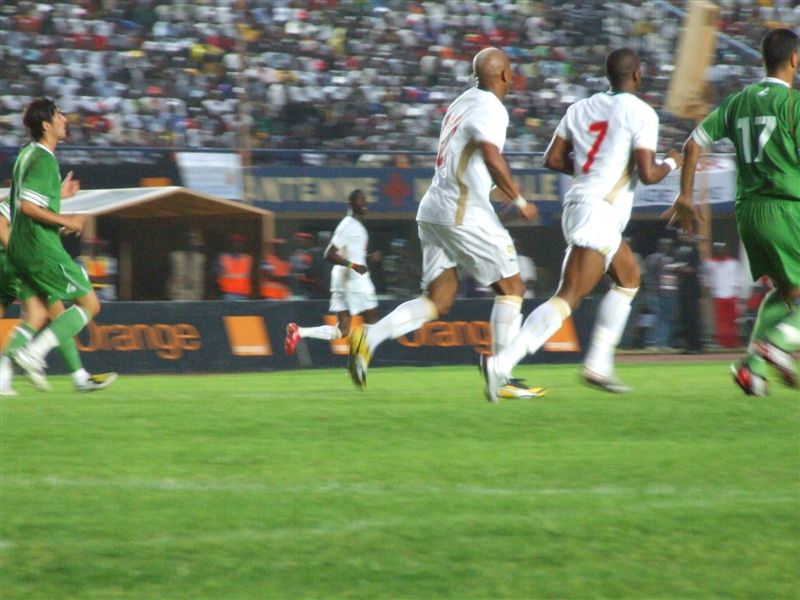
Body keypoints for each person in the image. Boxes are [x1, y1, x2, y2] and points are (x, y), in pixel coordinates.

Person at [482, 48, 683, 398]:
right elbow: (649, 174)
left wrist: (591, 169)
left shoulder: (580, 108)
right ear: (637, 75)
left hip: (579, 202)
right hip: (599, 210)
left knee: (629, 278)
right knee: (568, 297)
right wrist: (673, 162)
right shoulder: (641, 112)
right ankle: (501, 363)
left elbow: (552, 158)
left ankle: (599, 364)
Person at [348, 47, 543, 401]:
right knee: (512, 287)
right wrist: (519, 200)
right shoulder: (492, 108)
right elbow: (491, 155)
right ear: (504, 75)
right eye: (510, 71)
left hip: (434, 208)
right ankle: (501, 375)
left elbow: (467, 159)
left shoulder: (460, 102)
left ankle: (369, 337)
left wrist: (492, 193)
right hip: (461, 210)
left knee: (439, 300)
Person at [664, 28, 799, 396]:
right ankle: (779, 344)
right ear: (794, 59)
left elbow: (692, 145)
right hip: (785, 207)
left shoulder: (738, 102)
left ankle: (751, 370)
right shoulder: (793, 105)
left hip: (749, 213)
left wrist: (686, 196)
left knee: (786, 290)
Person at [5, 97, 118, 392]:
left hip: (21, 250)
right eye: (59, 115)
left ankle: (70, 377)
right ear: (46, 125)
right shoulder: (44, 159)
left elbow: (26, 202)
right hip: (40, 249)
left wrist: (58, 196)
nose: (65, 119)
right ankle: (32, 354)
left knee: (39, 314)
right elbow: (28, 207)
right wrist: (67, 220)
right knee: (90, 303)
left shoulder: (27, 155)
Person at [284, 189, 380, 355]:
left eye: (365, 200)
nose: (364, 203)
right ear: (350, 204)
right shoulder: (348, 225)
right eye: (360, 200)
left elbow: (350, 253)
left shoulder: (356, 226)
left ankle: (299, 332)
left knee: (342, 330)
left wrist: (366, 258)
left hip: (343, 280)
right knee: (371, 317)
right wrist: (353, 265)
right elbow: (329, 254)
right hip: (353, 280)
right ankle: (359, 358)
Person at [705, 241, 741, 348]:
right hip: (718, 296)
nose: (720, 252)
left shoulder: (733, 263)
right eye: (717, 250)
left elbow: (737, 279)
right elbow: (707, 280)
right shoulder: (710, 264)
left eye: (722, 249)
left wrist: (737, 293)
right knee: (721, 321)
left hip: (731, 295)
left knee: (732, 320)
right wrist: (708, 292)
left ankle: (732, 342)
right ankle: (722, 342)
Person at [672, 233, 703, 354]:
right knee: (684, 318)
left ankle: (696, 346)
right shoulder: (678, 251)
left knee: (692, 318)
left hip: (692, 290)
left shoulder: (694, 251)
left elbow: (692, 269)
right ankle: (688, 345)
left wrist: (679, 268)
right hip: (682, 289)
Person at [643, 237, 676, 349]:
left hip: (662, 292)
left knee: (661, 318)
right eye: (666, 245)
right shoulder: (658, 258)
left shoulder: (665, 259)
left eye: (669, 245)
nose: (668, 247)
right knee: (659, 317)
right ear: (660, 246)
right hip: (658, 293)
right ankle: (655, 342)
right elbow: (652, 275)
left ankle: (658, 342)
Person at [167, 229, 206, 301]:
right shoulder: (175, 256)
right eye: (188, 239)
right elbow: (169, 274)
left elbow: (202, 276)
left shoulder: (200, 258)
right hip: (178, 293)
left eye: (192, 240)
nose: (190, 242)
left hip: (195, 294)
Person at [216, 233, 253, 300]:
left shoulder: (247, 259)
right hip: (228, 294)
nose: (237, 245)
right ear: (230, 244)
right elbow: (216, 274)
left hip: (243, 294)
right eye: (235, 242)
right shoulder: (223, 258)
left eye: (240, 243)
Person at [79, 237, 117, 301]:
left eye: (96, 246)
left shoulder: (110, 261)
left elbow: (110, 279)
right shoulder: (80, 260)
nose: (94, 249)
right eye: (89, 246)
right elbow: (81, 279)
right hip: (87, 295)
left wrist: (92, 278)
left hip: (105, 296)